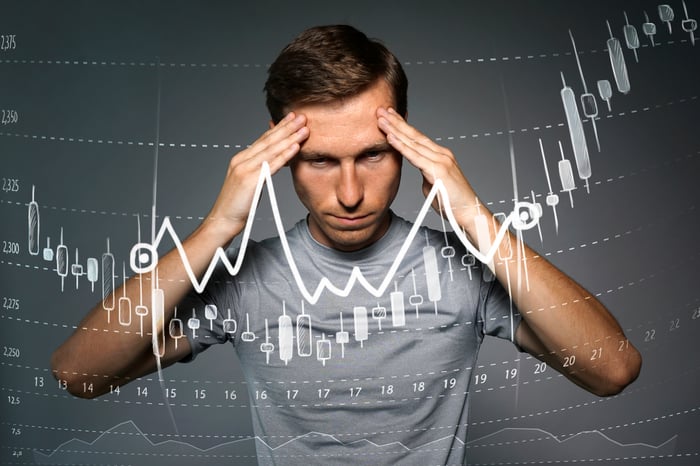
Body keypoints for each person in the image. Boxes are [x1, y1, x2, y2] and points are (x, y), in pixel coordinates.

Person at [51, 25, 641, 465]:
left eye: (372, 155)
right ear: (282, 162)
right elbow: (79, 374)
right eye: (319, 161)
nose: (351, 192)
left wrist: (477, 221)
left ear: (407, 144)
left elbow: (612, 370)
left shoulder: (464, 271)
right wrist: (215, 231)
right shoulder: (243, 279)